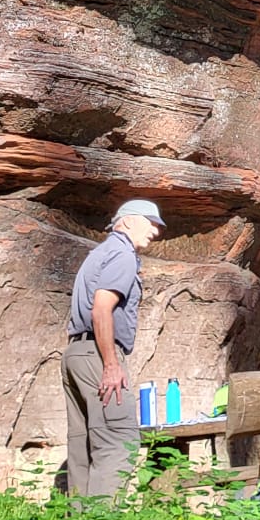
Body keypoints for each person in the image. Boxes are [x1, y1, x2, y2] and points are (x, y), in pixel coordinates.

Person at [63, 199, 164, 499]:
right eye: (151, 222)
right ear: (129, 221)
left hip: (75, 353)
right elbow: (101, 309)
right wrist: (110, 364)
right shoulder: (122, 255)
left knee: (82, 446)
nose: (156, 231)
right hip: (98, 354)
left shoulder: (97, 254)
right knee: (119, 441)